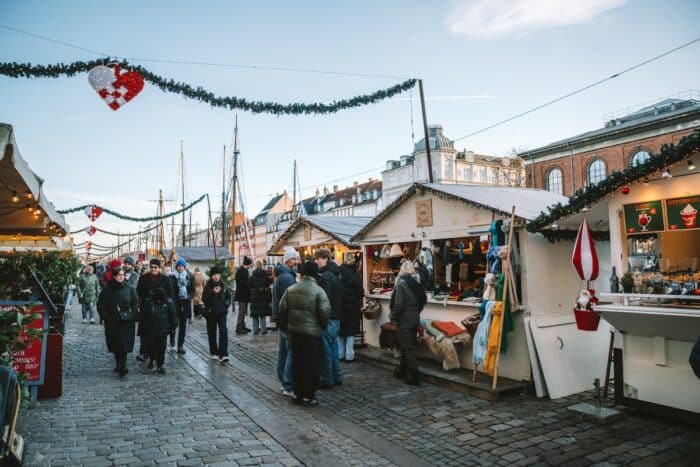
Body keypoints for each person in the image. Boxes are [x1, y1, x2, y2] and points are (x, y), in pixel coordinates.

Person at [279, 261, 330, 406]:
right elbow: (325, 312)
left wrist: (289, 323)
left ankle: (297, 393)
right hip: (312, 333)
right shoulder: (318, 291)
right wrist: (321, 325)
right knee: (312, 364)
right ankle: (309, 395)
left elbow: (282, 308)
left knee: (297, 363)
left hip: (295, 332)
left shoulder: (291, 289)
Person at [97, 266, 140, 377]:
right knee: (116, 344)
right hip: (112, 321)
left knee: (125, 344)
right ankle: (118, 362)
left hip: (127, 321)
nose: (121, 277)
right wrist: (105, 316)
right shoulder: (107, 290)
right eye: (118, 275)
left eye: (122, 275)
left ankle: (123, 365)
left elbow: (135, 302)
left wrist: (133, 314)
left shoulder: (130, 288)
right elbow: (101, 304)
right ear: (114, 276)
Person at [389, 261, 427, 386]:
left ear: (401, 271)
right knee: (407, 347)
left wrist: (393, 317)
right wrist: (416, 312)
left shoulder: (401, 285)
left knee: (408, 348)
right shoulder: (416, 284)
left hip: (404, 320)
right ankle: (402, 371)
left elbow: (398, 305)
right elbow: (423, 301)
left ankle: (414, 376)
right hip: (415, 319)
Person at [272, 247, 300, 398]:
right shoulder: (287, 278)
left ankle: (283, 380)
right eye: (294, 259)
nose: (296, 262)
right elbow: (289, 300)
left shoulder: (281, 275)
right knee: (291, 352)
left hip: (281, 319)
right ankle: (288, 384)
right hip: (287, 320)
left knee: (283, 351)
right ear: (288, 260)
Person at [136, 258, 175, 363]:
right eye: (151, 267)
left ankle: (157, 356)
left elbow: (170, 295)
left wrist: (168, 307)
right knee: (145, 333)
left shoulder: (165, 279)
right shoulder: (144, 278)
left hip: (160, 310)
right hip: (146, 309)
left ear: (159, 268)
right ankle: (144, 353)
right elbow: (138, 293)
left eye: (155, 267)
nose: (153, 269)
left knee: (158, 335)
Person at [315, 249, 343, 389]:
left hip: (329, 317)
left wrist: (321, 317)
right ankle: (337, 376)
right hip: (336, 316)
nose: (316, 261)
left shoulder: (325, 276)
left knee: (326, 350)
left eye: (318, 258)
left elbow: (325, 300)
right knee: (334, 347)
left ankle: (327, 379)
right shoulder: (336, 274)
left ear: (325, 258)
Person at [140, 287, 177, 374]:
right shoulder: (149, 303)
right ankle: (152, 358)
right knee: (151, 346)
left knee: (161, 348)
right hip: (150, 330)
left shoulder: (168, 303)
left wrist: (172, 327)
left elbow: (173, 316)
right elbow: (143, 316)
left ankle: (160, 365)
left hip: (163, 330)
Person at [202, 266, 232, 363]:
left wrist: (226, 305)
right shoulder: (208, 286)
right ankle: (214, 352)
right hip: (211, 312)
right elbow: (204, 299)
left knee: (223, 332)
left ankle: (223, 354)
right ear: (211, 276)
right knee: (212, 332)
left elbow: (228, 297)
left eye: (217, 274)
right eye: (214, 275)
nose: (216, 276)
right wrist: (212, 292)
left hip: (222, 312)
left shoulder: (224, 285)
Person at [338, 255, 363, 363]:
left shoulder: (338, 274)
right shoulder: (355, 275)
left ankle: (340, 354)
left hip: (340, 307)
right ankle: (349, 355)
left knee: (340, 333)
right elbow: (360, 293)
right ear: (353, 263)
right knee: (350, 333)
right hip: (352, 307)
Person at [170, 258, 194, 354]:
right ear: (176, 267)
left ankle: (180, 345)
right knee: (174, 324)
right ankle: (172, 335)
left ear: (184, 267)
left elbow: (192, 290)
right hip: (175, 303)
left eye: (182, 266)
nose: (180, 268)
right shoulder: (172, 277)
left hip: (185, 303)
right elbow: (170, 290)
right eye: (179, 266)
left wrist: (188, 296)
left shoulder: (190, 276)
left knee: (183, 326)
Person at [249, 260, 272, 335]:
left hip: (254, 297)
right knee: (262, 314)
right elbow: (268, 284)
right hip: (263, 296)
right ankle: (263, 329)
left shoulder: (252, 276)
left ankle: (255, 330)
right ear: (261, 265)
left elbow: (249, 285)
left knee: (255, 314)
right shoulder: (265, 275)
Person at [234, 256, 253, 334]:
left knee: (243, 311)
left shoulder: (242, 270)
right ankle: (239, 328)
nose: (250, 266)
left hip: (243, 295)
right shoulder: (243, 272)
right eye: (250, 265)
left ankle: (242, 326)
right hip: (242, 295)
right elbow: (245, 284)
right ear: (247, 264)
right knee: (241, 312)